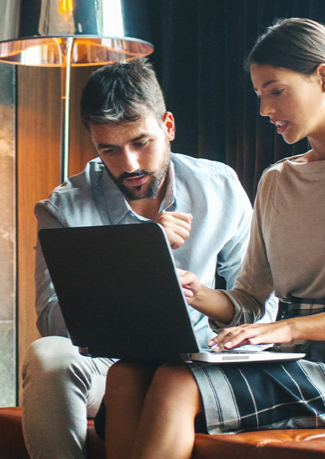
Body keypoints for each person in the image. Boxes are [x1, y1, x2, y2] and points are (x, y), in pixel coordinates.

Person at [101, 17, 325, 459]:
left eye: (275, 90)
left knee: (178, 382)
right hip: (290, 357)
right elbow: (247, 304)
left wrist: (286, 327)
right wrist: (195, 291)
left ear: (324, 77)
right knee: (126, 375)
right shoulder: (277, 180)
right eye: (259, 95)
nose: (264, 109)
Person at [21, 58, 276, 459]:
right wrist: (137, 251)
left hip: (196, 361)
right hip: (105, 365)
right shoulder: (62, 208)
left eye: (141, 142)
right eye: (110, 150)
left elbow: (261, 309)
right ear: (94, 143)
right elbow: (51, 319)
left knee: (170, 377)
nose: (130, 165)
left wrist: (204, 302)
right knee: (46, 357)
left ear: (168, 126)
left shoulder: (220, 187)